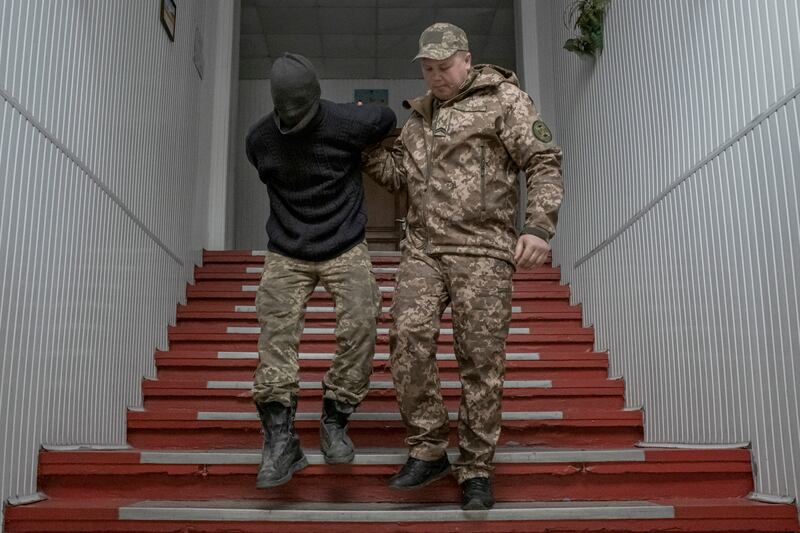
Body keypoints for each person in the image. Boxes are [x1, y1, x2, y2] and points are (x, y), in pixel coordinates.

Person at [361, 23, 563, 510]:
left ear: (466, 59)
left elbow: (543, 160)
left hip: (484, 251)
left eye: (444, 67)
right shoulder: (417, 119)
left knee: (480, 361)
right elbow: (398, 178)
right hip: (424, 250)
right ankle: (429, 447)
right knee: (406, 340)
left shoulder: (504, 99)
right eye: (428, 69)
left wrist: (538, 225)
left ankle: (476, 467)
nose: (436, 77)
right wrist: (363, 145)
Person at [245, 52, 397, 488]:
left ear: (317, 97)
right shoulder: (259, 139)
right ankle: (280, 441)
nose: (294, 123)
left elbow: (386, 118)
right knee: (275, 334)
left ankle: (335, 419)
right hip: (288, 249)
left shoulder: (348, 121)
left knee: (363, 323)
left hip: (344, 245)